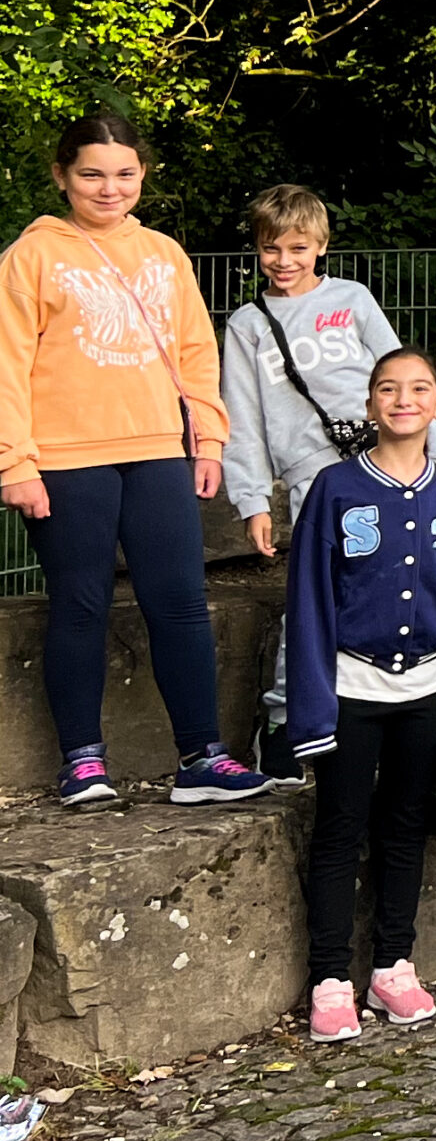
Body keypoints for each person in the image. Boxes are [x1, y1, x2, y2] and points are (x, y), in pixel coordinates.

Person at [0, 113, 270, 807]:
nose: (108, 187)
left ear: (142, 176)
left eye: (124, 173)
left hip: (156, 450)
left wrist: (208, 440)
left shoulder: (164, 253)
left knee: (179, 601)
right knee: (81, 604)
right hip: (65, 458)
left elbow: (193, 352)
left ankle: (202, 758)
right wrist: (15, 463)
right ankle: (83, 762)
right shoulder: (30, 258)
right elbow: (7, 363)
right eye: (91, 173)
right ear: (62, 177)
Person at [287, 349, 436, 1041]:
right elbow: (308, 597)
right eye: (388, 389)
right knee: (340, 827)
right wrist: (311, 706)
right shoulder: (335, 489)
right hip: (351, 685)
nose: (404, 400)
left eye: (420, 389)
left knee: (406, 824)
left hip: (429, 683)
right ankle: (329, 977)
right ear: (372, 405)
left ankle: (393, 965)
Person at [221, 182, 428, 776]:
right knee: (315, 598)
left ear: (321, 245)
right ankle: (288, 720)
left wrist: (431, 454)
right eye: (270, 250)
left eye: (297, 248)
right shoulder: (249, 324)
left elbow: (403, 375)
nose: (284, 262)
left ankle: (387, 712)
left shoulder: (352, 299)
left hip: (387, 462)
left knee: (394, 585)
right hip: (314, 476)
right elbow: (244, 416)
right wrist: (254, 499)